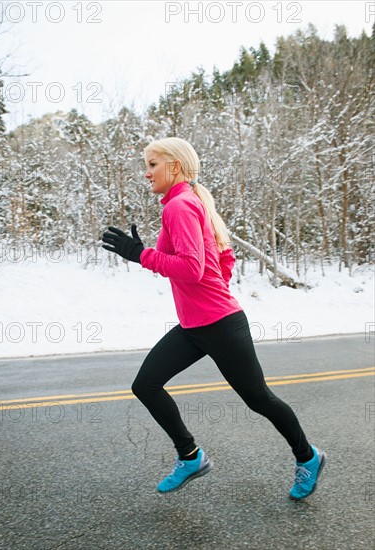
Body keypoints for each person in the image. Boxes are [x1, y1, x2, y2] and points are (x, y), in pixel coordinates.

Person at [101, 137, 326, 500]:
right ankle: (191, 457)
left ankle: (309, 457)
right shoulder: (185, 202)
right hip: (194, 326)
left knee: (259, 399)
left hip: (220, 324)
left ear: (174, 165)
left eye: (153, 163)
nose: (146, 172)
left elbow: (191, 268)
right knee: (146, 384)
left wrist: (141, 255)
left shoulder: (180, 206)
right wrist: (142, 254)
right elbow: (219, 261)